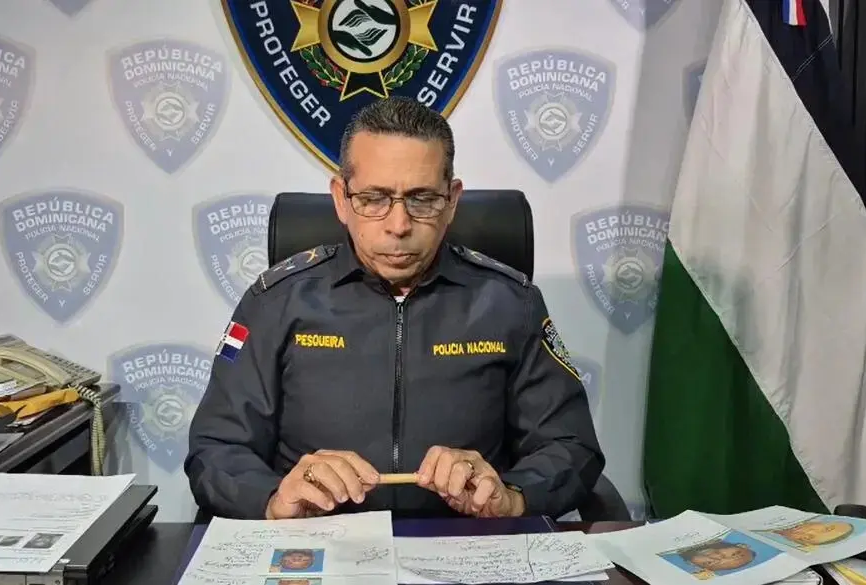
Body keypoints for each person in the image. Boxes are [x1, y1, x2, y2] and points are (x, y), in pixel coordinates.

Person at [185, 96, 604, 520]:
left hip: (465, 542)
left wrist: (513, 496)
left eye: (422, 199)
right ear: (341, 199)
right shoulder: (274, 301)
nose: (399, 225)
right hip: (319, 544)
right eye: (373, 199)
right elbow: (216, 449)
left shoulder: (511, 302)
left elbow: (571, 446)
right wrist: (273, 499)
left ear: (452, 200)